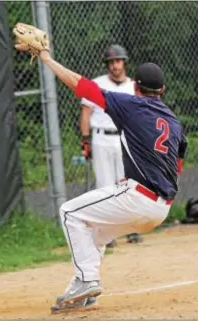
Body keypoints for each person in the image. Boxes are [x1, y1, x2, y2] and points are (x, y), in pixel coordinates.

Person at [14, 36, 187, 312]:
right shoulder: (174, 123)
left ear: (135, 87)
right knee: (95, 232)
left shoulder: (129, 104)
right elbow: (176, 169)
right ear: (163, 89)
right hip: (161, 208)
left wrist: (46, 58)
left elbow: (80, 85)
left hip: (137, 199)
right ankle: (84, 292)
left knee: (70, 213)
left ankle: (87, 279)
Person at [79, 44, 139, 248]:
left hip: (125, 139)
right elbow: (86, 114)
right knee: (105, 187)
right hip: (102, 138)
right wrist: (85, 140)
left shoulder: (133, 86)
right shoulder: (97, 84)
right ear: (107, 65)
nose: (115, 65)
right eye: (112, 62)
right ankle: (108, 234)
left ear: (124, 62)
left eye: (118, 61)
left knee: (128, 185)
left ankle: (131, 229)